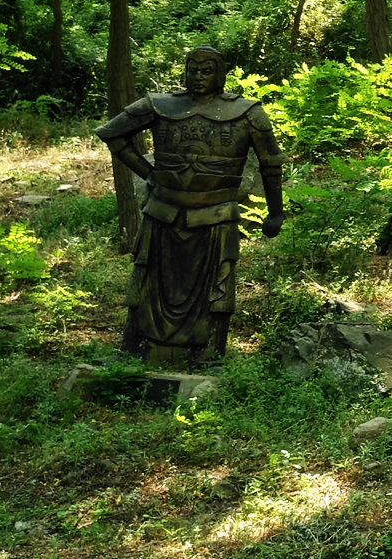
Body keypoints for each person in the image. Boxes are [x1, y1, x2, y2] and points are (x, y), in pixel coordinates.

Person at [96, 46, 284, 367]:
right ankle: (134, 352)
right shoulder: (159, 105)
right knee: (146, 282)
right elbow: (112, 134)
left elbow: (271, 163)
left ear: (221, 74)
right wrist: (149, 173)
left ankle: (207, 355)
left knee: (216, 288)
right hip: (162, 212)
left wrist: (276, 211)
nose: (198, 76)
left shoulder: (247, 112)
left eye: (207, 70)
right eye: (192, 70)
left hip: (216, 215)